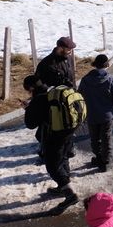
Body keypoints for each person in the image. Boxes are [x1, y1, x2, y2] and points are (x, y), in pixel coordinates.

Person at [23, 75, 79, 203]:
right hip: (68, 131)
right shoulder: (55, 92)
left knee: (53, 166)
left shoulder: (39, 100)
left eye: (28, 90)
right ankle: (62, 186)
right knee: (63, 158)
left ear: (31, 88)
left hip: (53, 136)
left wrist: (28, 109)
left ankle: (70, 194)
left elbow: (30, 124)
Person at [78, 55, 113, 173]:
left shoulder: (85, 80)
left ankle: (98, 157)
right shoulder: (110, 79)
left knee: (94, 138)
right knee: (106, 138)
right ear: (107, 65)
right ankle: (106, 162)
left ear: (95, 64)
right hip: (107, 116)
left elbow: (79, 96)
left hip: (91, 115)